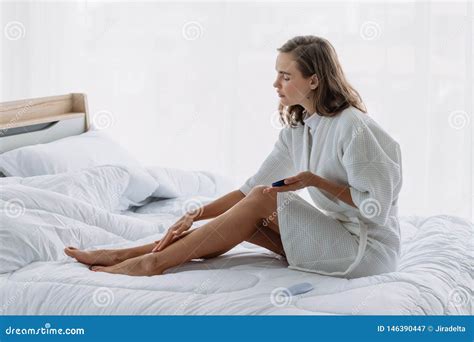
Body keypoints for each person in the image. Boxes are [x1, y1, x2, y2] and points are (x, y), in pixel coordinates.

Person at [65, 35, 402, 278]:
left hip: (368, 251)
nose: (276, 84)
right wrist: (193, 214)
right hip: (335, 239)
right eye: (277, 74)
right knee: (242, 213)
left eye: (286, 76)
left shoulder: (354, 128)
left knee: (260, 201)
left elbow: (375, 206)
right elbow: (247, 192)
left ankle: (153, 263)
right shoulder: (298, 131)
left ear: (313, 80)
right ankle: (131, 253)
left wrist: (315, 181)